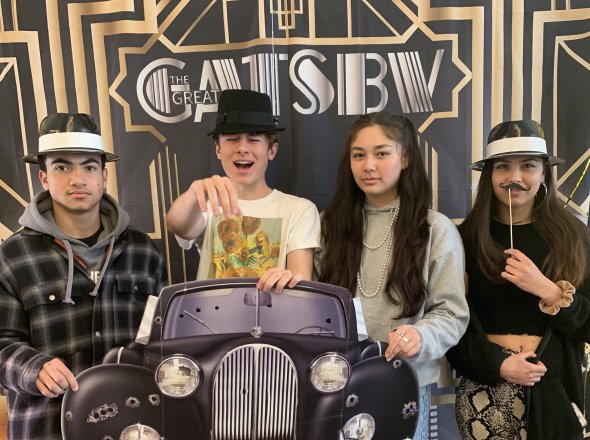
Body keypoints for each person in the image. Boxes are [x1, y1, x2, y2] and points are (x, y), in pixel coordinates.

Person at [0, 113, 167, 440]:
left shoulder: (143, 251)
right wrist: (33, 368)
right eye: (62, 167)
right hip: (47, 429)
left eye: (89, 167)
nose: (77, 179)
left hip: (134, 427)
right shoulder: (12, 256)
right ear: (44, 177)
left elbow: (163, 338)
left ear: (104, 176)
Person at [317, 111, 469, 440]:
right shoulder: (329, 225)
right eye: (359, 155)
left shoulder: (435, 229)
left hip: (405, 384)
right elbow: (312, 303)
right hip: (336, 385)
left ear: (406, 158)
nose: (369, 165)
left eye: (382, 153)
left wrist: (420, 336)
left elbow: (452, 313)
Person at [446, 120, 590, 440]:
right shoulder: (464, 239)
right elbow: (451, 325)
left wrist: (549, 290)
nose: (515, 177)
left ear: (544, 173)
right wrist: (498, 364)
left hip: (555, 392)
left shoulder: (575, 237)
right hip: (484, 391)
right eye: (503, 167)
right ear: (489, 175)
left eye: (527, 166)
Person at [166, 89, 320, 292]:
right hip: (211, 313)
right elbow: (177, 225)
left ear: (271, 150)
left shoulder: (299, 210)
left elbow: (302, 285)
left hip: (276, 313)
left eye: (254, 139)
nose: (242, 148)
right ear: (218, 149)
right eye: (232, 138)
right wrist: (194, 194)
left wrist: (289, 279)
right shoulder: (207, 203)